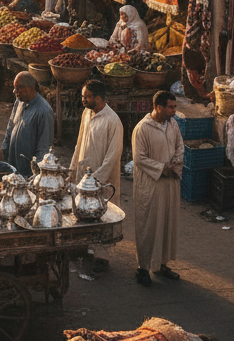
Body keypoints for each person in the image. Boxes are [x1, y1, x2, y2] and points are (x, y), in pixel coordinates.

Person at [69, 80, 124, 276]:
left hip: (102, 182)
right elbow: (79, 142)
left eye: (87, 97)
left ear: (99, 98)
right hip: (83, 176)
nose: (83, 100)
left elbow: (113, 156)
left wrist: (95, 181)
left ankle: (103, 258)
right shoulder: (86, 114)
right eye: (83, 96)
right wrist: (72, 169)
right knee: (84, 214)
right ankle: (85, 250)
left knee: (103, 217)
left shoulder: (113, 121)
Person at [132, 90, 184, 287]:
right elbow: (140, 158)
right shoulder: (142, 128)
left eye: (174, 106)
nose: (174, 110)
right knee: (148, 226)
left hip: (170, 184)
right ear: (158, 107)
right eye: (170, 107)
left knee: (167, 224)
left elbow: (180, 147)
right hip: (151, 185)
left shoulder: (173, 124)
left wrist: (175, 165)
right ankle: (143, 268)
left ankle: (162, 265)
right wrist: (163, 169)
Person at [0, 72, 55, 177]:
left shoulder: (44, 111)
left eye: (18, 88)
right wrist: (4, 149)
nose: (14, 91)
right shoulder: (19, 101)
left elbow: (44, 147)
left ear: (29, 88)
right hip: (12, 163)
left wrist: (36, 175)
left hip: (28, 171)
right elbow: (10, 126)